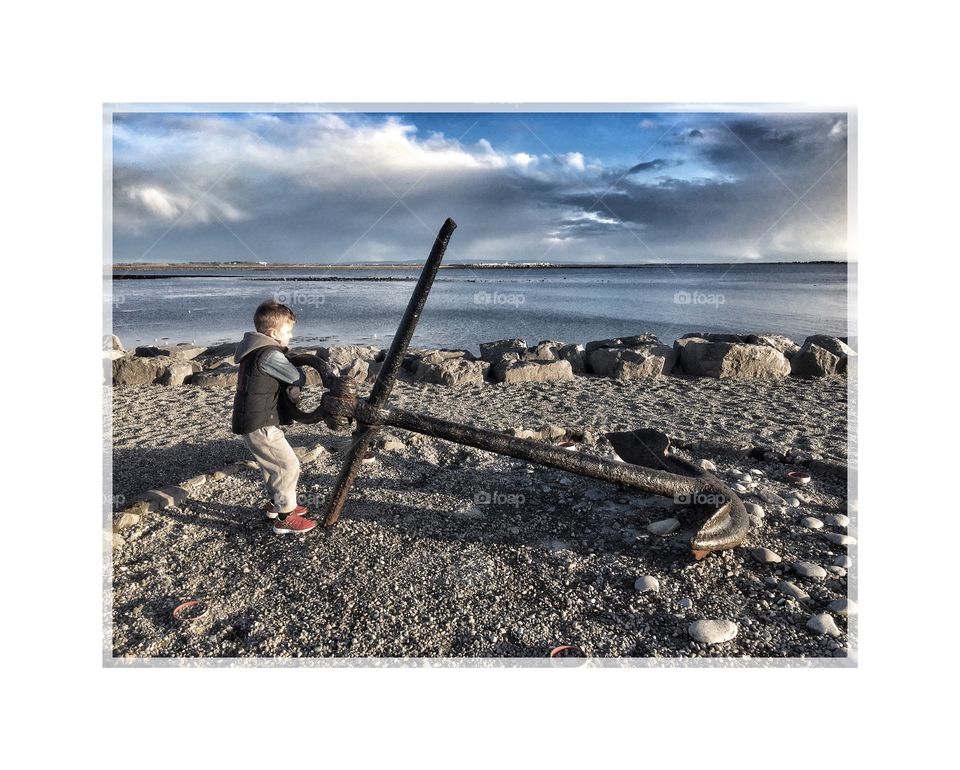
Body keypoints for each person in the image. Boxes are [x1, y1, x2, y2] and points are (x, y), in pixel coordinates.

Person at [231, 299, 315, 534]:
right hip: (261, 424)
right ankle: (285, 517)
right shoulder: (270, 355)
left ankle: (276, 505)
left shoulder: (251, 351)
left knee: (271, 466)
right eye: (288, 332)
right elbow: (295, 375)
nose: (290, 337)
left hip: (251, 421)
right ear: (273, 333)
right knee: (288, 465)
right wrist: (297, 383)